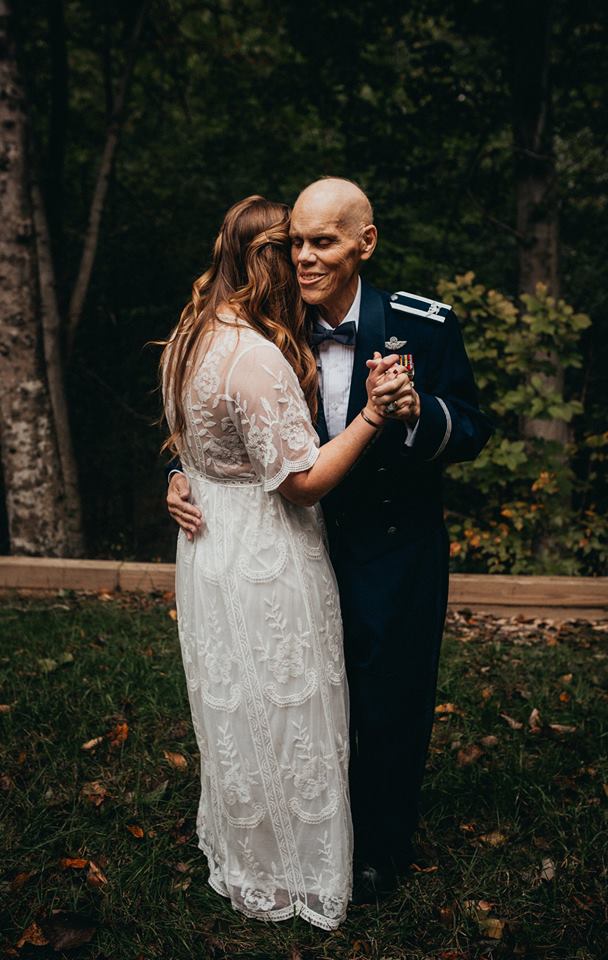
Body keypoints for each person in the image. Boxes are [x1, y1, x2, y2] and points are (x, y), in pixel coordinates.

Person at [166, 178, 494, 903]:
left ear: (364, 243)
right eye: (296, 245)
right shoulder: (269, 321)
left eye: (323, 243)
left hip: (392, 546)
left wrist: (416, 412)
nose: (305, 259)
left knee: (388, 697)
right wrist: (178, 472)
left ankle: (379, 845)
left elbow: (473, 426)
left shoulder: (425, 325)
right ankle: (312, 831)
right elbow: (213, 411)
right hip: (292, 543)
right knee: (306, 697)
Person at [158, 194, 398, 929]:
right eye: (290, 246)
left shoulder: (193, 332)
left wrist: (182, 476)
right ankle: (297, 871)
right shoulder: (258, 355)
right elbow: (301, 484)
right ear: (267, 259)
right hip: (264, 548)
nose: (304, 259)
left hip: (208, 545)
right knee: (289, 705)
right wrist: (372, 415)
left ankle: (247, 855)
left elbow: (193, 439)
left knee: (237, 704)